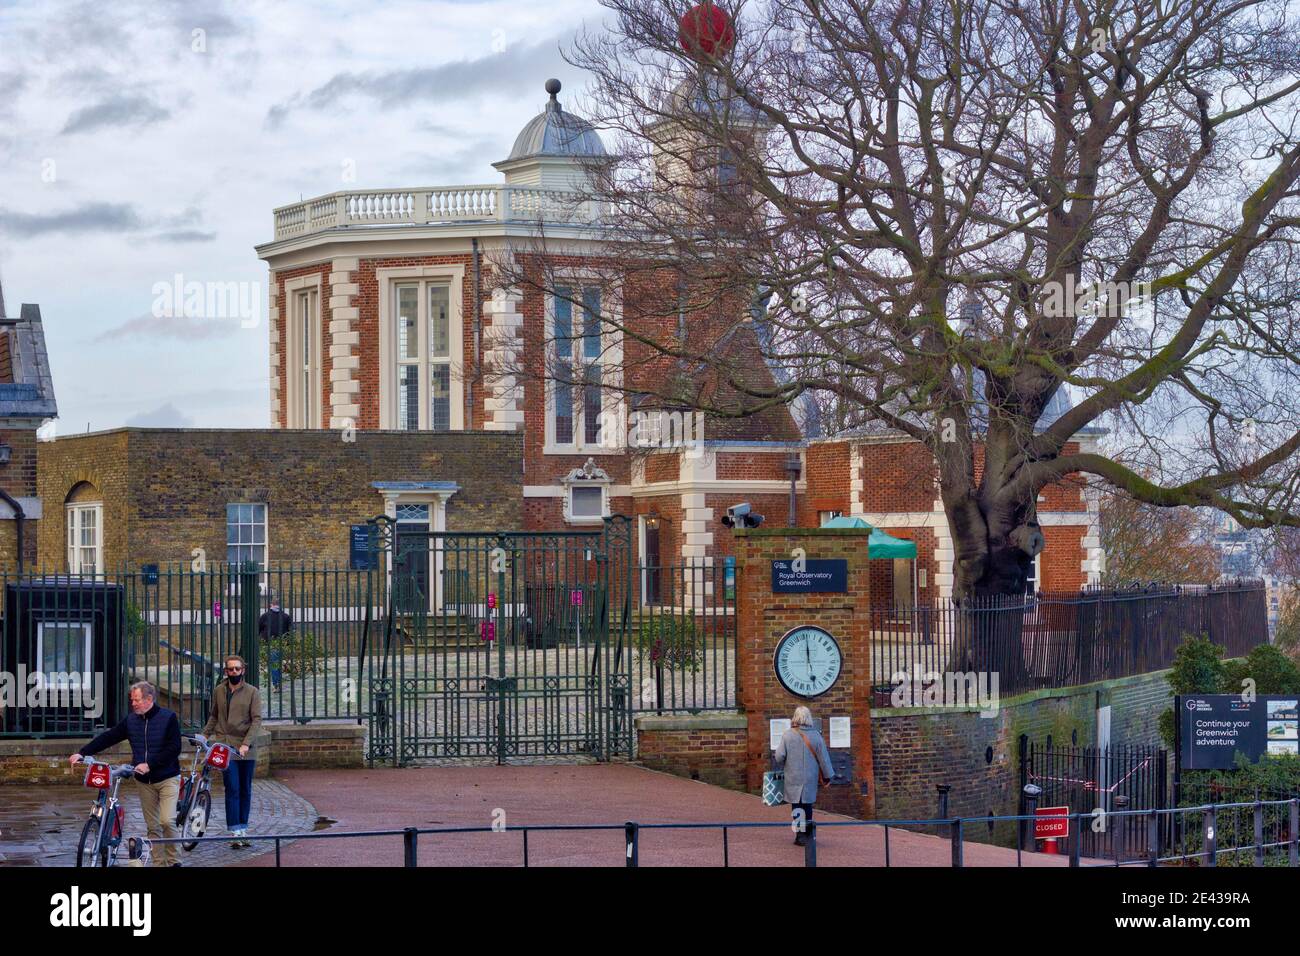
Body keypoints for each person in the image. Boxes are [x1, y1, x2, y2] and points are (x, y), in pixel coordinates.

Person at [69, 681, 184, 867]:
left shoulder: (168, 717)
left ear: (149, 699)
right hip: (143, 781)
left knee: (167, 820)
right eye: (132, 700)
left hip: (167, 777)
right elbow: (110, 736)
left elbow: (174, 748)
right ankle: (159, 864)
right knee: (153, 826)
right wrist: (83, 752)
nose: (134, 704)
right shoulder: (131, 720)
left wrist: (150, 764)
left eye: (137, 700)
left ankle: (174, 862)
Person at [202, 655, 262, 848]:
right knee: (232, 787)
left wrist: (246, 744)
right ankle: (234, 830)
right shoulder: (219, 690)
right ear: (226, 671)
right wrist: (204, 735)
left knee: (245, 789)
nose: (234, 672)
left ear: (243, 670)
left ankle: (243, 828)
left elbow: (256, 721)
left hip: (246, 748)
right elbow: (214, 715)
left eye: (237, 669)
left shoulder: (252, 692)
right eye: (230, 669)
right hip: (225, 746)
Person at [772, 705, 835, 846]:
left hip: (793, 777)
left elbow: (779, 757)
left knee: (797, 806)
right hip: (810, 778)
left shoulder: (788, 735)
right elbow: (824, 758)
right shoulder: (816, 735)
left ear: (796, 717)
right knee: (808, 805)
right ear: (808, 718)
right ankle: (808, 834)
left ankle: (799, 836)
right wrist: (828, 776)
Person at [258, 595, 292, 690]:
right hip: (283, 644)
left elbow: (258, 629)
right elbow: (290, 632)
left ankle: (276, 684)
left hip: (270, 644)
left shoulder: (265, 616)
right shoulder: (286, 616)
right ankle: (278, 682)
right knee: (277, 663)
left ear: (270, 605)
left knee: (274, 664)